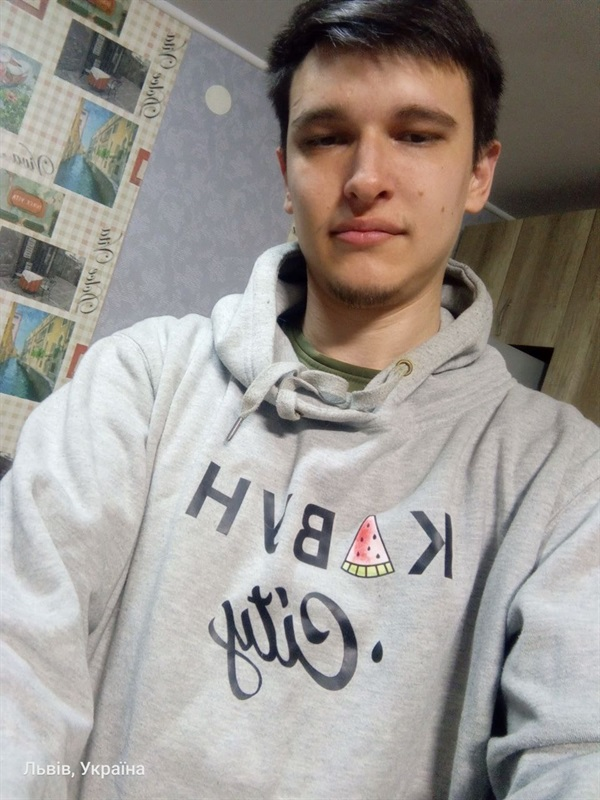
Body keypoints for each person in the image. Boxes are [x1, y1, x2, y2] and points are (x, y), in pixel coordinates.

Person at [1, 0, 598, 798]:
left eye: (417, 136)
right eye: (326, 137)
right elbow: (18, 655)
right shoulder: (141, 380)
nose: (366, 179)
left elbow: (577, 748)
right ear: (286, 171)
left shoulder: (565, 478)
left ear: (479, 175)